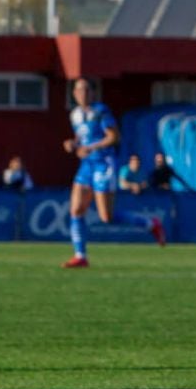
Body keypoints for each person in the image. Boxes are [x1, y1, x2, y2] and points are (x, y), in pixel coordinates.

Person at [61, 77, 119, 269]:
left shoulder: (101, 111)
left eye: (86, 90)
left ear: (93, 93)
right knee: (76, 209)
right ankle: (80, 256)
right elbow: (81, 137)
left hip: (104, 163)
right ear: (74, 94)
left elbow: (114, 137)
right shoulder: (75, 115)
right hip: (87, 165)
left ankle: (149, 223)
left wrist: (91, 148)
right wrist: (73, 144)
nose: (82, 93)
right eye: (79, 90)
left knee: (106, 217)